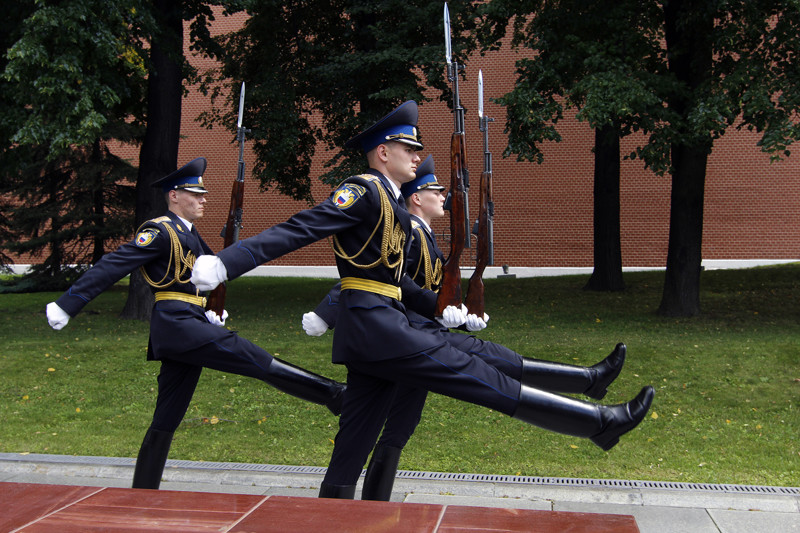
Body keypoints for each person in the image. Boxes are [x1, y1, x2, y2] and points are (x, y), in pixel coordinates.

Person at [190, 101, 654, 500]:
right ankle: (597, 422)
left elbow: (397, 283)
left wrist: (440, 308)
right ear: (383, 152)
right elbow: (302, 227)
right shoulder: (366, 190)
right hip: (376, 328)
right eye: (409, 149)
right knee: (474, 372)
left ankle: (331, 515)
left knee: (355, 439)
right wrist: (228, 262)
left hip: (379, 325)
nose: (416, 157)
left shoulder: (391, 204)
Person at [302, 155, 628, 500]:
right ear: (416, 197)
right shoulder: (406, 233)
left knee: (394, 432)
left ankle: (374, 512)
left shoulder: (424, 238)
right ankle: (591, 388)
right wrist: (327, 313)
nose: (442, 196)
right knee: (485, 365)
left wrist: (461, 312)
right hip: (404, 338)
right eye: (435, 190)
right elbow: (367, 278)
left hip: (410, 338)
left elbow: (425, 291)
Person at [45, 157, 345, 490]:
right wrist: (67, 304)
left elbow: (200, 281)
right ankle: (334, 395)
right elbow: (115, 264)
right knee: (253, 358)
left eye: (203, 194)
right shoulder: (159, 231)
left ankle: (142, 493)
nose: (203, 200)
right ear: (174, 196)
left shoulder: (191, 236)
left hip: (188, 323)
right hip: (176, 325)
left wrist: (208, 310)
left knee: (166, 418)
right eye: (194, 194)